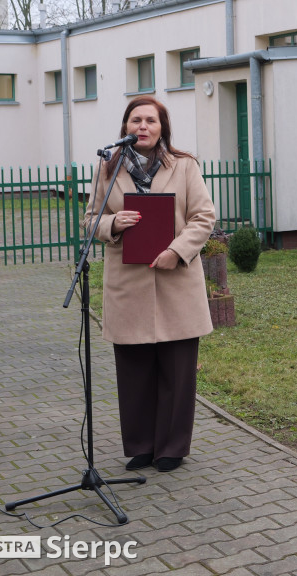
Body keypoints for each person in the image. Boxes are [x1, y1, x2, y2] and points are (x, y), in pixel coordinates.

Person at [83, 95, 216, 472]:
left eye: (151, 121)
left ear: (162, 128)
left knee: (177, 370)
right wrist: (111, 224)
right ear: (125, 127)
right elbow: (90, 218)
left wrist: (178, 250)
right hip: (128, 282)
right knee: (135, 371)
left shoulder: (185, 166)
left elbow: (203, 217)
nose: (143, 126)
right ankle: (141, 446)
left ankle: (172, 448)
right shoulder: (107, 169)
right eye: (135, 120)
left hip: (175, 278)